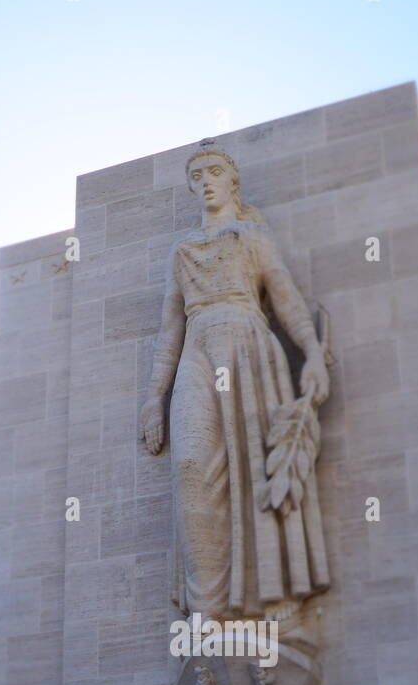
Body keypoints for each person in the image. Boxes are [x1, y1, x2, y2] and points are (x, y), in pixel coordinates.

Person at [139, 140, 330, 633]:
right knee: (189, 464)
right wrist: (154, 397)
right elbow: (169, 330)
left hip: (246, 343)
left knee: (254, 465)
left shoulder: (251, 236)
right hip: (197, 350)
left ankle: (269, 597)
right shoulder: (181, 251)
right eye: (196, 174)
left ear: (232, 182)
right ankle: (206, 610)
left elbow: (284, 296)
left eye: (213, 172)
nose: (205, 180)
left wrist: (311, 354)